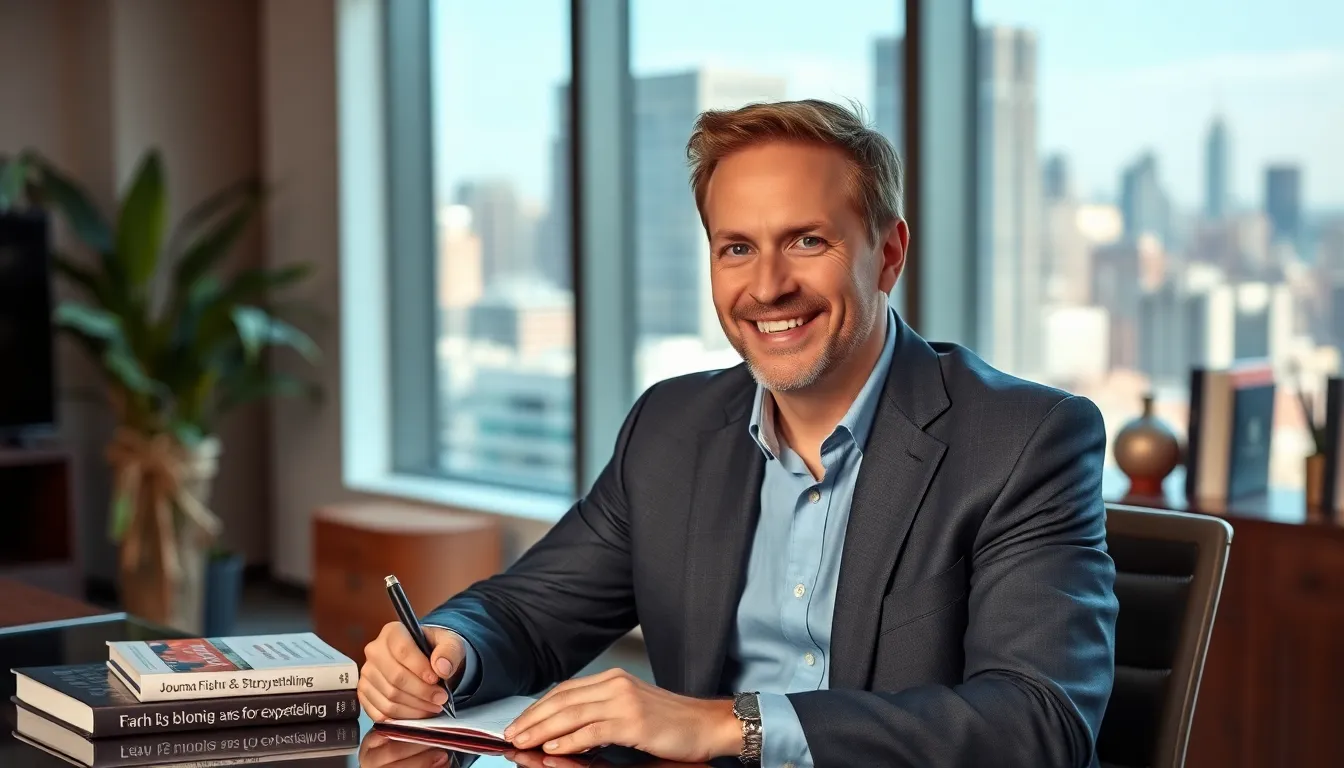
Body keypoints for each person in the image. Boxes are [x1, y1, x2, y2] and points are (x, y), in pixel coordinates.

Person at [358, 99, 1118, 767]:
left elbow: (1037, 723)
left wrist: (731, 726)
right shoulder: (672, 427)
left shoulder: (1024, 439)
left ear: (887, 254)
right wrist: (447, 647)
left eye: (808, 242)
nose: (766, 287)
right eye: (737, 248)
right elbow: (526, 613)